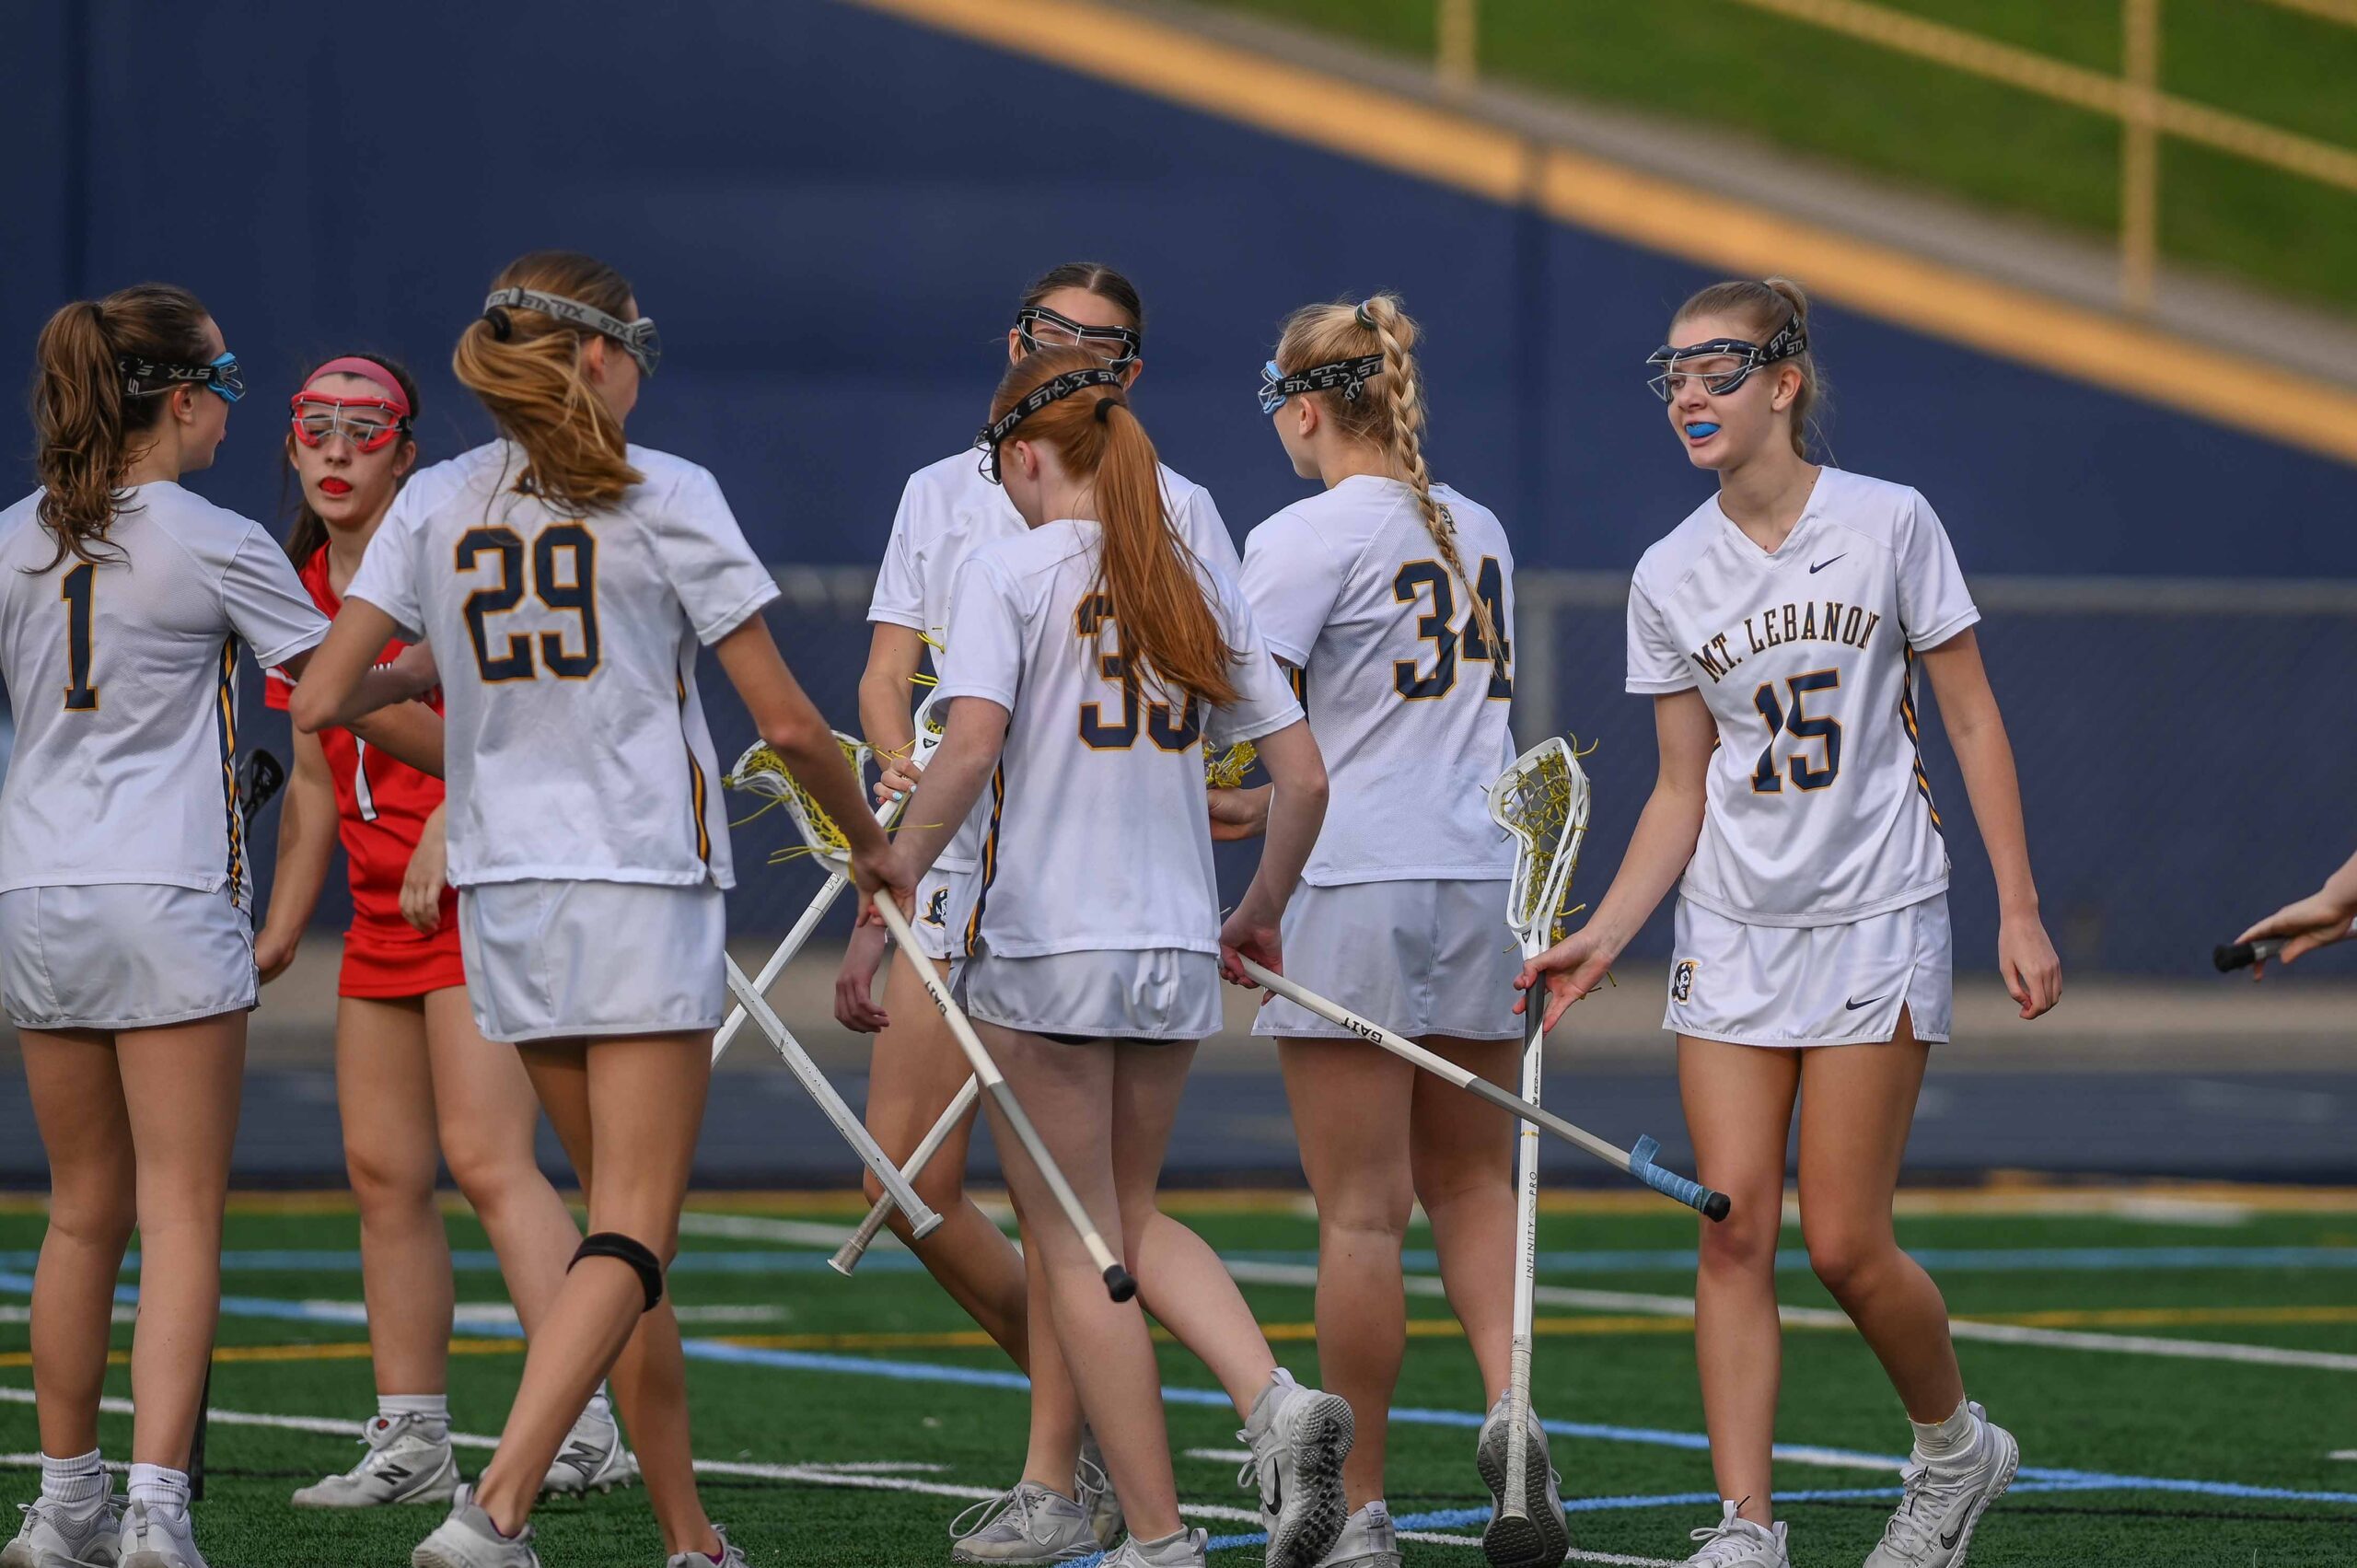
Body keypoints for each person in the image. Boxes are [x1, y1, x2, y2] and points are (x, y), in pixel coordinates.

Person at [292, 250, 896, 1568]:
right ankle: (494, 1505)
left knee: (621, 1245)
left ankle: (690, 1535)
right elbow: (793, 724)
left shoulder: (437, 499)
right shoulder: (664, 491)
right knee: (631, 1229)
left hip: (506, 895)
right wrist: (872, 849)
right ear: (605, 357)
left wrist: (446, 668)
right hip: (638, 882)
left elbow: (324, 694)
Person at [1515, 279, 2061, 1568]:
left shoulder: (1888, 521)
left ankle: (1954, 1445)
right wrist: (1606, 933)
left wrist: (2020, 904)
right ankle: (1746, 1521)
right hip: (1732, 926)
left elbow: (1970, 715)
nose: (1688, 395)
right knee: (1733, 1225)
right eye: (1672, 375)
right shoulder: (1667, 571)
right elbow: (1679, 785)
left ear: (1783, 381)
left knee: (1846, 1243)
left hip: (1878, 910)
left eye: (1716, 370)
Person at [877, 346, 1349, 1568]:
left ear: (1026, 454)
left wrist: (896, 871)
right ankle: (1272, 1398)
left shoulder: (1006, 567)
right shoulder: (1188, 573)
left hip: (1048, 944)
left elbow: (969, 746)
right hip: (1172, 942)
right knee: (1126, 1220)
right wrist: (1260, 908)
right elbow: (1301, 777)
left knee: (1079, 1244)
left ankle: (1158, 1532)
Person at [0, 286, 435, 1568]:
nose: (233, 421)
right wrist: (471, 703)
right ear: (182, 400)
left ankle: (61, 1504)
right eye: (226, 394)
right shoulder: (218, 538)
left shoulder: (14, 536)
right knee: (182, 1212)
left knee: (79, 1212)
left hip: (36, 897)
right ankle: (154, 1511)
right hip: (168, 895)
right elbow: (337, 695)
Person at [842, 261, 1239, 1562]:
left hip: (1054, 891)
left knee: (1074, 1213)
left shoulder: (1175, 500)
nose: (1076, 354)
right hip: (953, 865)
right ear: (1016, 339)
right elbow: (891, 679)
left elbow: (1225, 717)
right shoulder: (938, 491)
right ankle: (1131, 1423)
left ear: (1131, 372)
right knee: (909, 1183)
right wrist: (897, 779)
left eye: (1104, 344)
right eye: (1057, 334)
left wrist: (1209, 797)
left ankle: (1061, 1476)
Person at [254, 354, 638, 1510]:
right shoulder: (293, 587)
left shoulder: (444, 559)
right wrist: (278, 932)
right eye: (316, 425)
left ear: (407, 455)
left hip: (476, 892)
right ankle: (412, 1435)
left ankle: (586, 1423)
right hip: (380, 914)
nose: (336, 449)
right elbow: (314, 783)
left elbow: (510, 720)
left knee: (488, 1158)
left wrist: (449, 827)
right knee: (382, 1172)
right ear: (290, 443)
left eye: (364, 429)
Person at [1214, 292, 1551, 1568]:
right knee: (1474, 1183)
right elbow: (1395, 736)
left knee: (1362, 1213)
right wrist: (1263, 799)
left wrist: (1231, 831)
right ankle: (1511, 1409)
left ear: (1306, 407)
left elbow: (1247, 718)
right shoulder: (1479, 523)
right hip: (1482, 880)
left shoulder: (1301, 533)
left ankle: (1360, 1508)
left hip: (1354, 883)